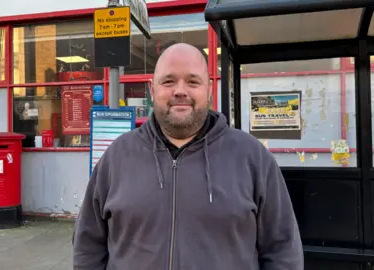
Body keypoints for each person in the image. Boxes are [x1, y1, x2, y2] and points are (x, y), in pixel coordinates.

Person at [72, 43, 303, 269]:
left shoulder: (253, 158)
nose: (180, 91)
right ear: (152, 90)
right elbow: (88, 246)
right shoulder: (117, 157)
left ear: (209, 90)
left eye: (193, 81)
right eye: (169, 81)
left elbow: (282, 250)